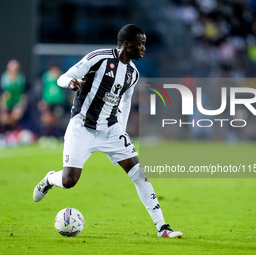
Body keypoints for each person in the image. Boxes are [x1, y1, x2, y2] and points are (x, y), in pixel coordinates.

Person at [33, 24, 183, 238]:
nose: (143, 49)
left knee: (140, 174)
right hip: (82, 127)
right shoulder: (99, 58)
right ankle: (49, 179)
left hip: (110, 129)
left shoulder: (133, 73)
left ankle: (162, 227)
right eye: (140, 45)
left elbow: (126, 101)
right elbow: (62, 77)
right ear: (127, 44)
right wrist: (70, 83)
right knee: (69, 181)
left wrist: (120, 129)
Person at [37, 63, 67, 139]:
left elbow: (66, 90)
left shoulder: (62, 77)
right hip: (47, 101)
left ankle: (55, 136)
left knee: (56, 119)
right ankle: (45, 135)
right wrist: (41, 100)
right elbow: (41, 88)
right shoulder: (45, 77)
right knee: (46, 118)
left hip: (58, 101)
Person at [0, 59, 27, 133]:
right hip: (7, 100)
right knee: (4, 118)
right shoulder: (4, 77)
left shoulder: (20, 77)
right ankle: (5, 133)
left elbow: (23, 90)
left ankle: (13, 131)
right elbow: (1, 91)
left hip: (17, 100)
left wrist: (23, 101)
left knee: (16, 115)